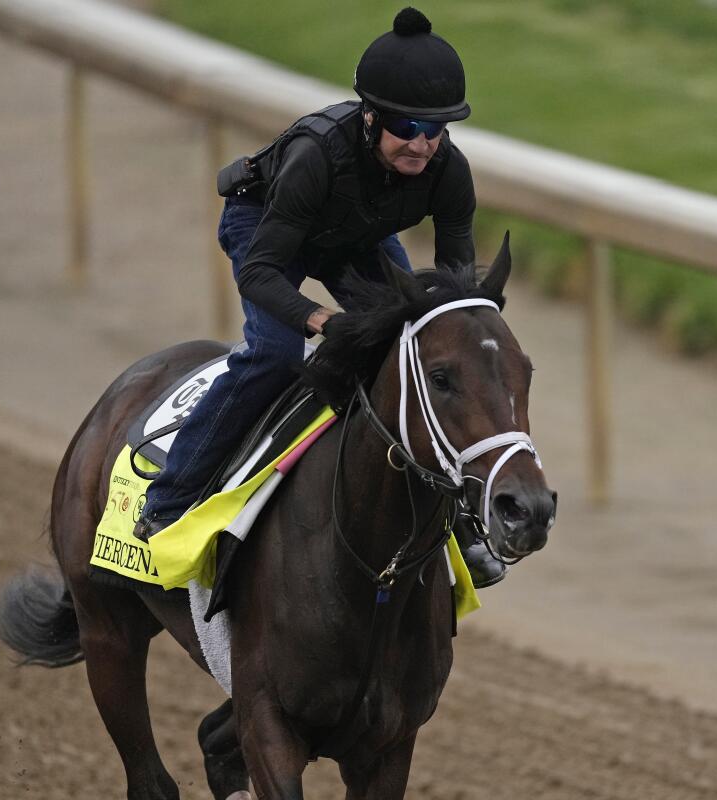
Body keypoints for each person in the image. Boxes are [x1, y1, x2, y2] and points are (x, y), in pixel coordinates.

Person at [134, 7, 505, 586]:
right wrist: (318, 318)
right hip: (266, 228)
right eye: (407, 129)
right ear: (369, 117)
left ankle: (454, 526)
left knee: (415, 356)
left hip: (354, 236)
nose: (422, 146)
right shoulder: (316, 156)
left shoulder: (449, 170)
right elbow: (261, 273)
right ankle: (167, 500)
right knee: (276, 354)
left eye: (435, 131)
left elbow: (454, 298)